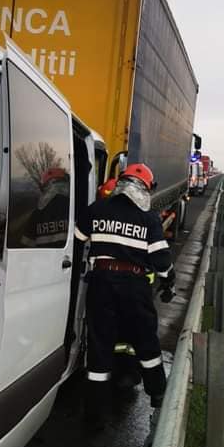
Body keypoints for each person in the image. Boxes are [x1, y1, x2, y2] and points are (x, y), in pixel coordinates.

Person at [75, 162, 176, 428]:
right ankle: (158, 396)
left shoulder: (97, 209)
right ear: (145, 188)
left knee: (99, 345)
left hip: (100, 284)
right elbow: (162, 260)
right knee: (146, 342)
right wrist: (169, 281)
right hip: (134, 287)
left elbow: (78, 237)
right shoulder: (149, 218)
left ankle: (94, 413)